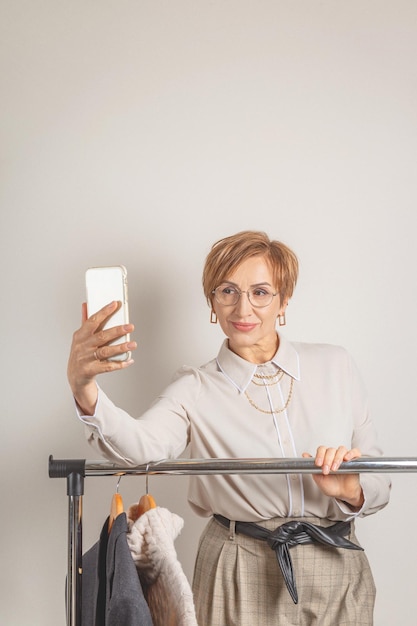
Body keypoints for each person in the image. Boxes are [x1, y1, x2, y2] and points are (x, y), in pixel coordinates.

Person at [68, 230, 390, 625]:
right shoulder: (194, 386)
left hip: (337, 559)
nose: (243, 308)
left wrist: (352, 488)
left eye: (260, 292)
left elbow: (380, 484)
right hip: (240, 564)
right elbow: (139, 448)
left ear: (283, 300)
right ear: (212, 302)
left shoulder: (335, 365)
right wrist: (84, 389)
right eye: (227, 291)